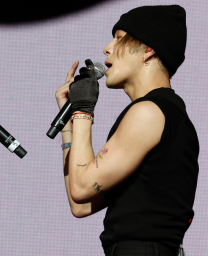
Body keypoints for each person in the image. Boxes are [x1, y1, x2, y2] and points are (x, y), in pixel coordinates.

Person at [56, 5, 199, 256]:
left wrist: (83, 110)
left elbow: (81, 188)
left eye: (119, 38)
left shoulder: (149, 113)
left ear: (149, 50)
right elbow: (80, 205)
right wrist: (70, 123)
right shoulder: (165, 112)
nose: (106, 48)